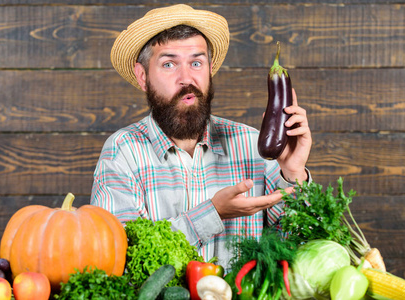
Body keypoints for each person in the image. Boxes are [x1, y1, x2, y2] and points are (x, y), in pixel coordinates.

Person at [90, 4, 312, 268]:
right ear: (143, 76)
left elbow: (299, 251)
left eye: (196, 62)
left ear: (209, 71)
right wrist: (212, 214)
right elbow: (120, 259)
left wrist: (294, 173)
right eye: (169, 64)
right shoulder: (122, 152)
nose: (187, 78)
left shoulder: (252, 145)